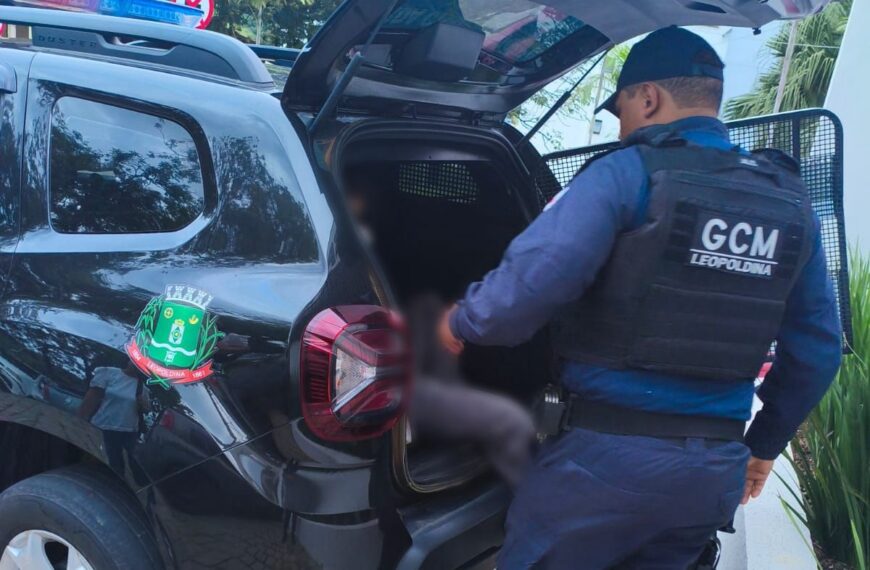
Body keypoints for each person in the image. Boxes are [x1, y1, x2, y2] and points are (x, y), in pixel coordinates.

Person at [438, 27, 842, 569]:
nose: (621, 125)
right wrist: (763, 444)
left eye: (622, 108)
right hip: (710, 474)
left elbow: (527, 290)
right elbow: (817, 350)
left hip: (602, 467)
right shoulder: (789, 200)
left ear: (648, 97)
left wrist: (461, 323)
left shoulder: (628, 175)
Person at [341, 165, 536, 486]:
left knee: (428, 307)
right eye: (355, 194)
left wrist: (453, 322)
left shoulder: (365, 235)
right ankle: (536, 518)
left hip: (399, 360)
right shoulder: (341, 244)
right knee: (512, 422)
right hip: (378, 385)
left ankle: (453, 409)